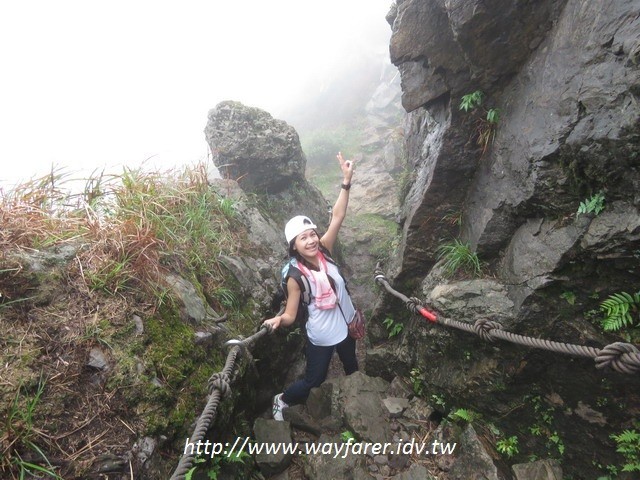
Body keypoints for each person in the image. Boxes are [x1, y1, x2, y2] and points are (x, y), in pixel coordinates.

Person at [263, 151, 358, 421]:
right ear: (294, 246)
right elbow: (292, 314)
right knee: (314, 379)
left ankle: (357, 396)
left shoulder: (325, 251)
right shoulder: (296, 276)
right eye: (303, 238)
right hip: (322, 333)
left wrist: (346, 181)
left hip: (345, 323)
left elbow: (337, 217)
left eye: (312, 234)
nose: (311, 240)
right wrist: (279, 320)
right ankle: (282, 400)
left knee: (352, 364)